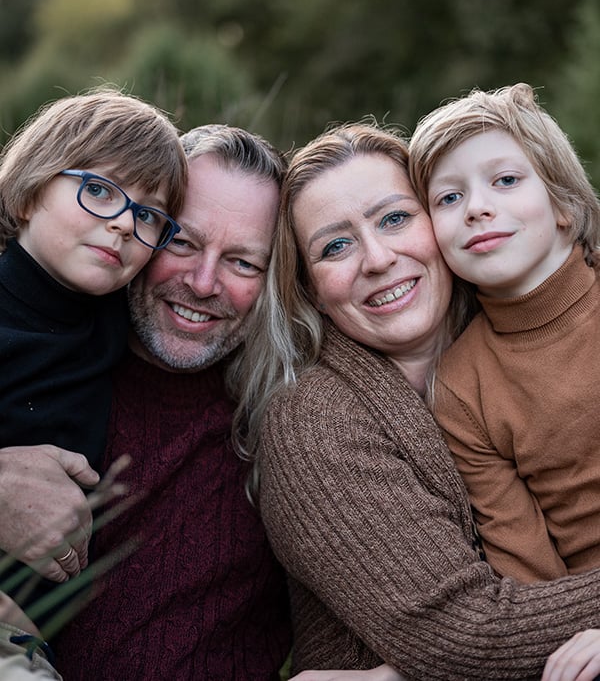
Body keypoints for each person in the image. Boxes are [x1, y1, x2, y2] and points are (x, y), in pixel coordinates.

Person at [235, 121, 600, 681]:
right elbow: (459, 637)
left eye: (395, 218)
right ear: (309, 290)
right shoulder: (314, 419)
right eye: (336, 246)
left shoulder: (508, 332)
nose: (377, 258)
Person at [49, 124, 292, 680]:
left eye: (243, 263)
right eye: (181, 242)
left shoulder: (283, 416)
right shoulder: (43, 358)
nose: (204, 283)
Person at [408, 82, 600, 584]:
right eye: (449, 197)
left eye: (507, 180)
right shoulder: (460, 387)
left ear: (563, 203)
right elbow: (527, 570)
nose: (476, 207)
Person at [0, 88, 187, 585]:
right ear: (31, 188)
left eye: (149, 215)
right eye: (100, 190)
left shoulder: (118, 317)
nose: (125, 223)